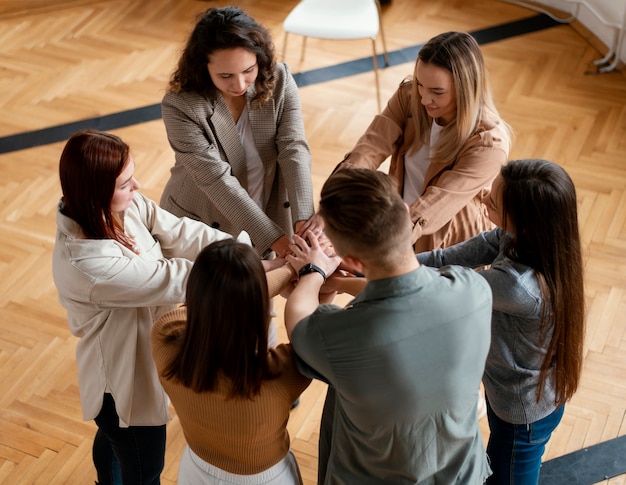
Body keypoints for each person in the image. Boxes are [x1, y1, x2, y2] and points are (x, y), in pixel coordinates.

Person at [284, 168, 493, 484]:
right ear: (406, 212)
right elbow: (409, 286)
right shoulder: (473, 290)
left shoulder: (342, 336)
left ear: (352, 259)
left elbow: (299, 319)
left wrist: (315, 271)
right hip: (462, 473)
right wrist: (342, 281)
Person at [52, 129, 233, 484]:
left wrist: (237, 249)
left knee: (115, 442)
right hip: (122, 386)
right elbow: (170, 278)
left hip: (138, 364)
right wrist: (246, 267)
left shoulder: (121, 205)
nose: (137, 186)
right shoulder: (86, 264)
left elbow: (182, 232)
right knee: (144, 470)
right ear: (95, 191)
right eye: (125, 183)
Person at [416, 159, 585, 484]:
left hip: (521, 416)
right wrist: (374, 263)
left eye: (492, 201)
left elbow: (442, 285)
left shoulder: (517, 286)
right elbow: (443, 260)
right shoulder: (525, 241)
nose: (482, 195)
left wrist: (372, 266)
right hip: (520, 398)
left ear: (522, 222)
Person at [159, 6, 318, 259]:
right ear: (203, 68)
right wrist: (279, 242)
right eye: (225, 75)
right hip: (201, 221)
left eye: (248, 71)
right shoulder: (180, 106)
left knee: (263, 295)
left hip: (266, 209)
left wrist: (304, 222)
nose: (240, 85)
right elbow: (216, 180)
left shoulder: (280, 79)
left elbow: (293, 148)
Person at [151, 239, 311, 485]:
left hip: (195, 471)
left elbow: (214, 304)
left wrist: (286, 269)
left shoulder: (165, 339)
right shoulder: (281, 373)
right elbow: (311, 333)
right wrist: (308, 273)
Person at [337, 31, 511, 253]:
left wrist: (383, 239)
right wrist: (337, 197)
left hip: (448, 245)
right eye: (420, 84)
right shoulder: (408, 97)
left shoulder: (489, 144)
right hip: (397, 224)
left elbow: (438, 200)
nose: (423, 99)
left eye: (437, 92)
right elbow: (371, 147)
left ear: (466, 89)